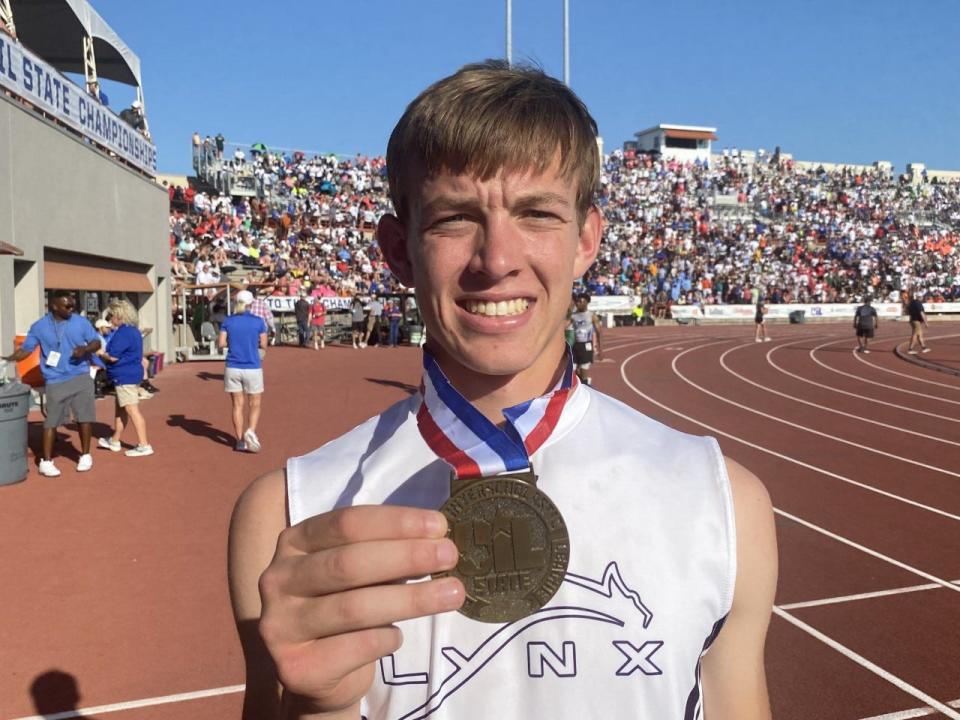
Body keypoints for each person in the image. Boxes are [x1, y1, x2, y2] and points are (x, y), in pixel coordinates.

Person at [228, 61, 776, 720]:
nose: (496, 259)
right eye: (456, 219)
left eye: (537, 213)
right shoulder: (288, 521)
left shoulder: (724, 504)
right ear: (399, 251)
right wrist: (320, 711)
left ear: (586, 241)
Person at [3, 290, 101, 476]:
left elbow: (96, 342)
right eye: (67, 305)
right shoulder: (39, 326)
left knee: (84, 417)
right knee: (52, 420)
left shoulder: (80, 322)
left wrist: (86, 348)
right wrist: (9, 358)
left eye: (73, 305)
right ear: (54, 306)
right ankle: (46, 462)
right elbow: (26, 349)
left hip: (80, 375)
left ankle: (86, 455)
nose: (72, 308)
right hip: (55, 379)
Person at [97, 300, 153, 457]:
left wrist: (100, 353)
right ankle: (115, 440)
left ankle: (144, 444)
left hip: (124, 375)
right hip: (128, 374)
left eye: (112, 316)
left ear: (119, 316)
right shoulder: (133, 331)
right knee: (121, 409)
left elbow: (113, 356)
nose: (110, 319)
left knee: (131, 409)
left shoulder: (124, 332)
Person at [218, 290, 268, 453]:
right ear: (251, 304)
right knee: (255, 403)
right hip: (252, 366)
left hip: (233, 366)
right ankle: (251, 431)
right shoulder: (258, 321)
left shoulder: (228, 321)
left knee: (237, 405)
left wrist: (234, 344)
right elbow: (264, 344)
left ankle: (240, 440)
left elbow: (221, 343)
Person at [568, 292, 602, 385]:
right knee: (572, 370)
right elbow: (564, 327)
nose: (578, 303)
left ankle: (586, 384)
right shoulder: (573, 315)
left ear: (586, 303)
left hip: (586, 345)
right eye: (578, 301)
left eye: (581, 301)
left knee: (584, 370)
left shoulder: (591, 315)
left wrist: (600, 350)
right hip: (575, 345)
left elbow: (599, 333)